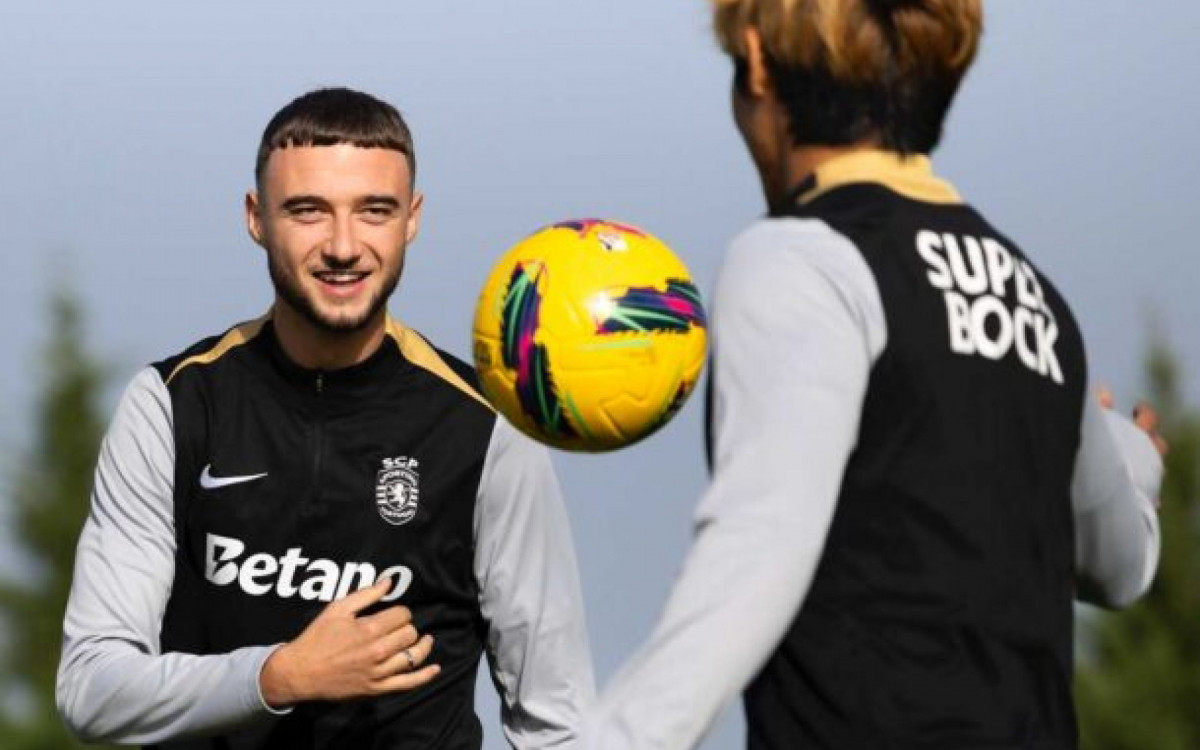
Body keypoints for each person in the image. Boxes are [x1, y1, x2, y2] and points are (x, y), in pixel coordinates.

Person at [582, 1, 1164, 748]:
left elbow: (757, 548)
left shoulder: (801, 258)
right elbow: (1122, 563)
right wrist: (1134, 456)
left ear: (755, 62)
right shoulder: (1038, 302)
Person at [56, 87, 594, 750]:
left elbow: (559, 720)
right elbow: (91, 687)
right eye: (308, 210)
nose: (344, 246)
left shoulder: (487, 425)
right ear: (256, 217)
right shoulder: (173, 404)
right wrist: (279, 676)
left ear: (412, 219)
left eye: (374, 211)